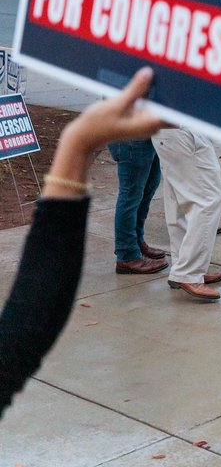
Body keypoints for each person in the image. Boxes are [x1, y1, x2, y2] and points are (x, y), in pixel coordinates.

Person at [2, 68, 164, 415]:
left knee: (144, 189)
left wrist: (77, 144)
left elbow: (20, 337)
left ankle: (135, 244)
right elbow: (26, 330)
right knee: (132, 193)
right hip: (127, 140)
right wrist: (76, 146)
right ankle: (128, 251)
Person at [152, 127, 221, 302]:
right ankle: (189, 273)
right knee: (208, 200)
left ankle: (183, 267)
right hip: (182, 130)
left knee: (177, 200)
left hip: (170, 131)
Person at [109, 138, 169, 275]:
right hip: (130, 134)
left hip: (147, 132)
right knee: (130, 194)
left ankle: (136, 241)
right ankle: (127, 254)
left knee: (149, 185)